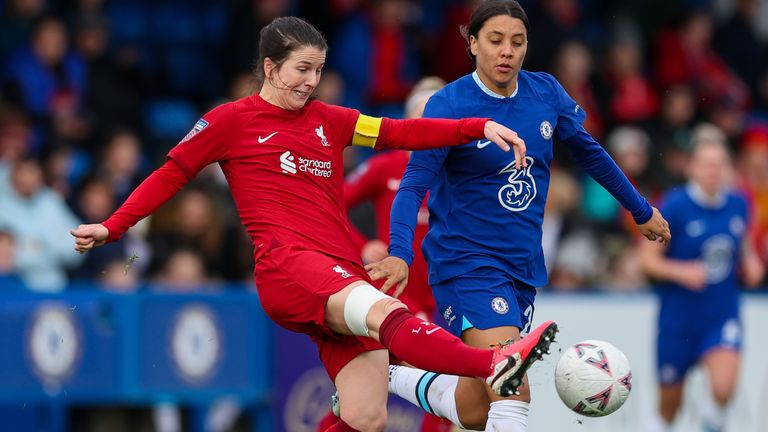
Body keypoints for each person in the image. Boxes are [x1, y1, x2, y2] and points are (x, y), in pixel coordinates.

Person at [70, 17, 558, 432]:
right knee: (388, 312)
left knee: (367, 417)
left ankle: (490, 363)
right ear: (269, 66)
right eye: (301, 69)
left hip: (337, 270)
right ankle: (497, 361)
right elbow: (172, 172)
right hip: (289, 266)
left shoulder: (331, 120)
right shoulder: (231, 121)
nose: (310, 81)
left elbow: (399, 132)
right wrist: (113, 227)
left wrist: (474, 126)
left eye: (318, 70)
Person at [365, 2, 671, 431]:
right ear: (472, 44)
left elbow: (590, 153)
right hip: (466, 263)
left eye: (517, 41)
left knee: (475, 410)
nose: (506, 51)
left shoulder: (545, 93)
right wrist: (401, 252)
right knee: (511, 384)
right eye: (494, 40)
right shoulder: (448, 104)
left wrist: (640, 209)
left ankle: (383, 374)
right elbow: (413, 184)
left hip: (521, 267)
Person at [315, 77, 451, 432]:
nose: (430, 125)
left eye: (438, 116)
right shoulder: (385, 168)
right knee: (377, 398)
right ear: (408, 119)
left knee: (432, 394)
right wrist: (362, 245)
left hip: (440, 298)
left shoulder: (456, 174)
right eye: (422, 115)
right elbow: (330, 206)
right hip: (387, 300)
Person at [639, 124, 764, 432]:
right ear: (692, 167)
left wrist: (751, 263)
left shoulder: (738, 202)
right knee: (669, 409)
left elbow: (742, 243)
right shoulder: (674, 205)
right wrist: (681, 271)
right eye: (707, 164)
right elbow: (645, 260)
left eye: (720, 164)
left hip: (720, 315)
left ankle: (711, 423)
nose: (714, 170)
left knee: (723, 387)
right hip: (678, 319)